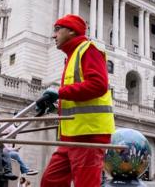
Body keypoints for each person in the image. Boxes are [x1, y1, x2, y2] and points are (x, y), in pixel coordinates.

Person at [38, 14, 115, 187]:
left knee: (85, 184)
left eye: (57, 29)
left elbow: (98, 85)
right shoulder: (72, 56)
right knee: (51, 181)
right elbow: (76, 99)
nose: (53, 35)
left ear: (72, 31)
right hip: (70, 136)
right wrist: (54, 105)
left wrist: (60, 92)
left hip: (89, 135)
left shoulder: (88, 49)